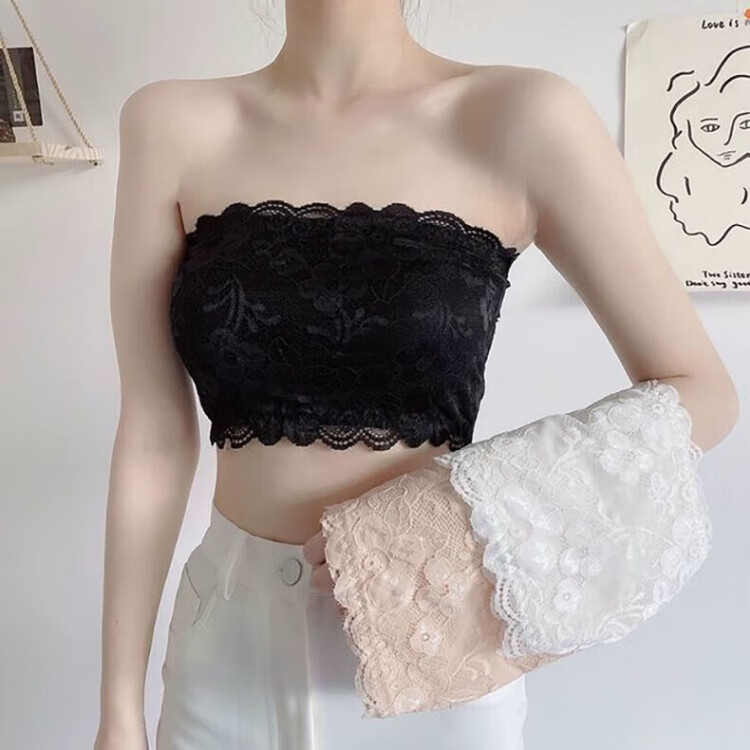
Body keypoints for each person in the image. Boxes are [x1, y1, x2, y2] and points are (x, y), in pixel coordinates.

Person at [93, 1, 739, 749]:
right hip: (226, 654)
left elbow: (701, 390)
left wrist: (454, 514)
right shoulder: (169, 123)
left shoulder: (521, 116)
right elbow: (154, 432)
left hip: (436, 658)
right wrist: (119, 711)